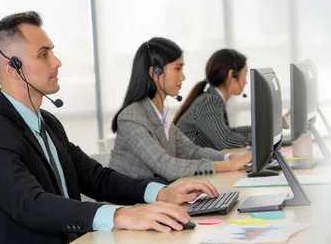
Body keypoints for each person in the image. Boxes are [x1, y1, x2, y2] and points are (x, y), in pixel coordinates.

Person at [0, 11, 218, 244]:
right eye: (44, 54)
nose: (57, 62)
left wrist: (163, 193)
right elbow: (31, 204)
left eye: (52, 51)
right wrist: (121, 215)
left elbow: (96, 178)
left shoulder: (47, 123)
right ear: (12, 69)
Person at [108, 38, 252, 184]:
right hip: (131, 204)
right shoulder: (132, 117)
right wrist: (229, 166)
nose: (183, 76)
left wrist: (229, 158)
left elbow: (192, 151)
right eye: (178, 68)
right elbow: (166, 165)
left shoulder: (161, 114)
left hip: (159, 196)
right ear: (155, 73)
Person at [173, 49, 252, 150]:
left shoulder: (212, 98)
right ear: (232, 75)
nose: (246, 81)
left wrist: (259, 130)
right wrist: (260, 139)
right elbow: (226, 141)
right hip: (188, 163)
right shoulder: (210, 101)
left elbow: (227, 132)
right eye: (245, 74)